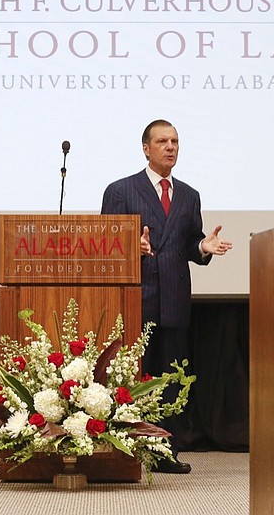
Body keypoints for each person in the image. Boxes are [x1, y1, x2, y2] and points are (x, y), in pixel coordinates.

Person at [101, 118, 232, 473]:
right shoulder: (120, 190)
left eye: (175, 141)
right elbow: (105, 246)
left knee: (170, 381)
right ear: (146, 148)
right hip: (134, 302)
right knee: (132, 379)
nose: (170, 147)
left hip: (174, 302)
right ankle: (125, 449)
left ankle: (164, 452)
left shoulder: (189, 195)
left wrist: (203, 246)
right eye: (162, 141)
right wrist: (131, 246)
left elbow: (190, 242)